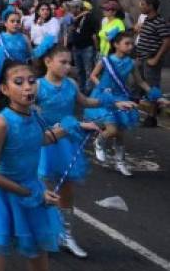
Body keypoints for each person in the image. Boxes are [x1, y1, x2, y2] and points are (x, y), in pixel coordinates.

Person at [0, 60, 100, 271]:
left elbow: (40, 139)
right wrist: (32, 193)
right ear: (5, 89)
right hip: (4, 198)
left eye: (32, 81)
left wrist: (76, 126)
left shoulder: (34, 114)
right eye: (19, 82)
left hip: (32, 192)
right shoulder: (1, 123)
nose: (28, 87)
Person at [33, 44, 136, 258]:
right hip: (43, 142)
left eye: (69, 62)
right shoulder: (37, 86)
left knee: (67, 192)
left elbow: (87, 101)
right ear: (48, 62)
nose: (67, 66)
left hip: (67, 142)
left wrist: (115, 103)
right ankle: (39, 232)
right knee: (43, 191)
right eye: (63, 62)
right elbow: (28, 115)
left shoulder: (70, 84)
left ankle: (66, 235)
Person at [85, 32, 161, 177]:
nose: (130, 46)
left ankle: (120, 162)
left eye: (132, 44)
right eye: (127, 43)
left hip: (121, 98)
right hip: (105, 97)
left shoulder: (131, 63)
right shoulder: (106, 60)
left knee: (120, 134)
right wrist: (101, 87)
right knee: (112, 130)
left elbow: (140, 81)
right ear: (116, 45)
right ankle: (99, 142)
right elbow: (93, 75)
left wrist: (153, 93)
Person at [134, 0, 169, 127]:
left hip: (150, 59)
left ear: (151, 6)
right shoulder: (147, 20)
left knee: (152, 87)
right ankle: (137, 114)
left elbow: (167, 41)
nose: (140, 6)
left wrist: (155, 59)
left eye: (143, 4)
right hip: (141, 58)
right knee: (138, 86)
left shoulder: (159, 22)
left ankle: (151, 117)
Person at [0, 12, 32, 95]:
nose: (15, 24)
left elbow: (31, 54)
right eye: (12, 21)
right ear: (5, 24)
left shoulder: (24, 37)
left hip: (21, 73)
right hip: (5, 74)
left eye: (18, 21)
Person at [65, 0, 98, 95]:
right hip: (76, 47)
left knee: (89, 71)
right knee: (79, 70)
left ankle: (89, 92)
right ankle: (81, 90)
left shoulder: (90, 17)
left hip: (87, 48)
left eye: (72, 8)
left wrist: (96, 48)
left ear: (78, 8)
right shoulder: (74, 18)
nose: (70, 10)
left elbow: (95, 33)